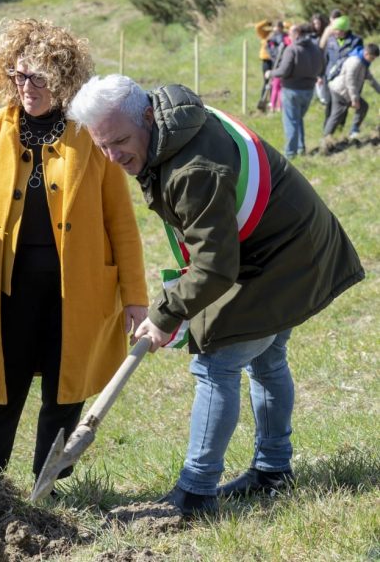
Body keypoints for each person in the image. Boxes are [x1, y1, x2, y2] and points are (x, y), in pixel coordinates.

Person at [68, 75, 364, 516]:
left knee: (216, 362)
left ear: (148, 115)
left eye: (120, 142)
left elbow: (214, 267)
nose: (112, 157)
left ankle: (197, 491)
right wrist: (177, 307)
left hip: (286, 256)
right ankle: (273, 471)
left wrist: (165, 314)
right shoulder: (173, 125)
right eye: (102, 145)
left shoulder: (194, 168)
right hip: (273, 243)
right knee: (266, 355)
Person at [0, 18, 148, 485]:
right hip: (7, 292)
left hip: (79, 293)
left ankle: (48, 486)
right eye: (18, 75)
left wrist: (135, 298)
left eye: (39, 77)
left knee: (65, 391)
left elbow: (121, 222)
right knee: (1, 393)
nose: (27, 86)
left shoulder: (90, 134)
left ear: (64, 79)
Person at [269, 23, 324, 157]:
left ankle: (290, 153)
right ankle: (300, 148)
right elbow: (322, 66)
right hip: (309, 90)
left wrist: (270, 73)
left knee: (291, 121)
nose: (289, 35)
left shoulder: (292, 49)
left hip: (291, 90)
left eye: (291, 33)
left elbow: (283, 71)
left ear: (298, 33)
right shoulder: (316, 49)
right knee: (298, 119)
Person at [324, 43, 380, 143]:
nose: (373, 60)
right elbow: (349, 80)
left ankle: (354, 130)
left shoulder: (364, 62)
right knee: (337, 114)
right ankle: (326, 138)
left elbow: (370, 79)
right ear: (366, 53)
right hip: (340, 91)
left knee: (363, 106)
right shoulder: (355, 61)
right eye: (372, 58)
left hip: (348, 92)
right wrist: (354, 99)